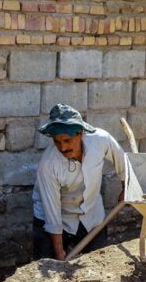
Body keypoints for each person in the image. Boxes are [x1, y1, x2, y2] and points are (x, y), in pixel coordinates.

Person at [33, 104, 126, 261]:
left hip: (92, 216)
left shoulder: (100, 141)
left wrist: (125, 188)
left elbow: (122, 162)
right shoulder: (48, 165)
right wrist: (59, 253)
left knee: (98, 265)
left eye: (67, 140)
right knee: (48, 269)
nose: (62, 147)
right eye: (57, 142)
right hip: (55, 220)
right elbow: (52, 214)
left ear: (80, 134)